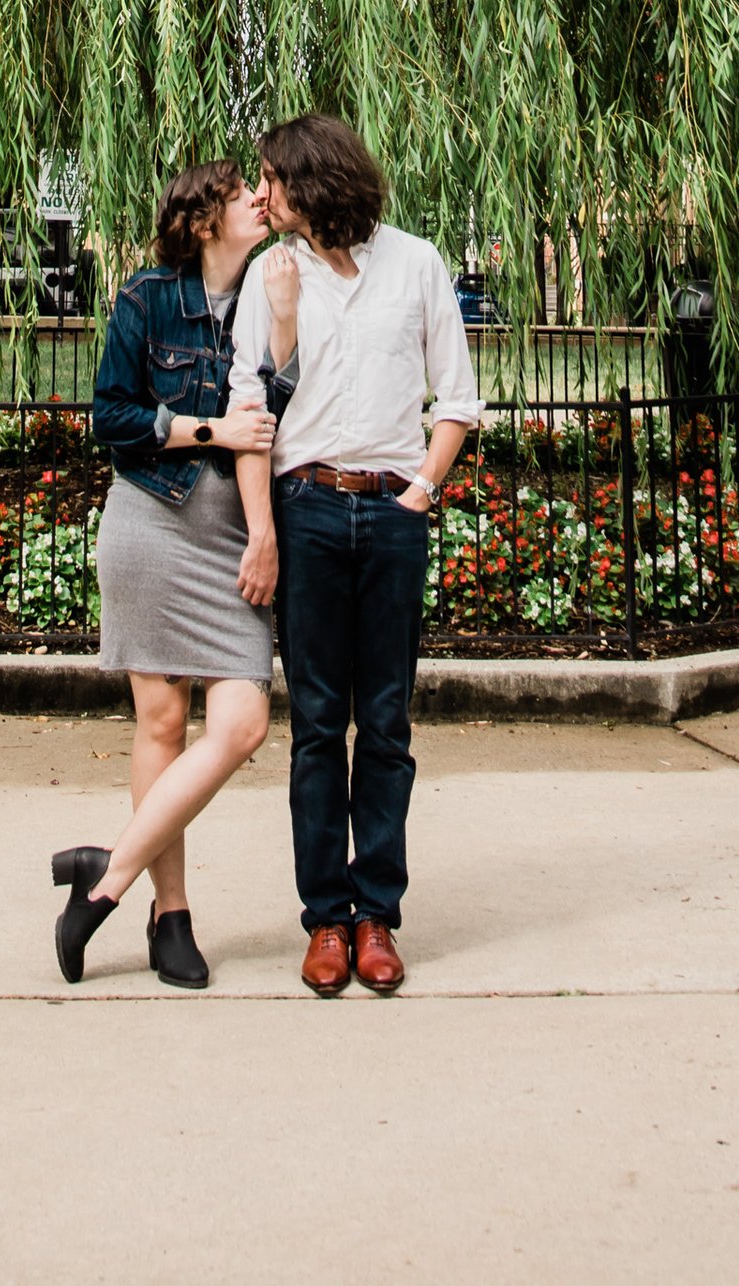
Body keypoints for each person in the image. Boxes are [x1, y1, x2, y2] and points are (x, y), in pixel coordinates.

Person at [230, 111, 480, 999]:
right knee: (314, 728)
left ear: (313, 179)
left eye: (271, 178)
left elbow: (458, 396)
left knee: (385, 723)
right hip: (306, 510)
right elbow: (252, 413)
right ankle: (325, 921)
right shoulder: (271, 277)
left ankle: (378, 914)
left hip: (390, 511)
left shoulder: (416, 263)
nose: (260, 194)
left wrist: (421, 490)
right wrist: (263, 527)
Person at [50, 158, 282, 988]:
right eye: (240, 195)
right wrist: (209, 433)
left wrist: (266, 530)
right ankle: (169, 914)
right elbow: (110, 417)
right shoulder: (147, 298)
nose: (259, 201)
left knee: (244, 723)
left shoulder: (273, 294)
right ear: (202, 218)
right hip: (150, 524)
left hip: (235, 544)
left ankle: (105, 872)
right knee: (160, 726)